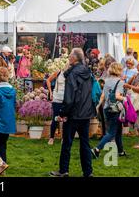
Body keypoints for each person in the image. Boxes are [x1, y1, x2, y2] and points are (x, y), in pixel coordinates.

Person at [50, 48, 96, 178]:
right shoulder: (87, 72)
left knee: (67, 143)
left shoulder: (73, 74)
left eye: (70, 55)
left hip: (74, 113)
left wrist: (63, 113)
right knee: (85, 143)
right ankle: (88, 172)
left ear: (75, 58)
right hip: (85, 113)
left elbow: (69, 98)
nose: (68, 58)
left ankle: (63, 170)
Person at [91, 63, 127, 159]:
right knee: (111, 132)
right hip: (116, 109)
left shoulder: (107, 81)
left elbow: (103, 95)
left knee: (118, 130)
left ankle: (121, 151)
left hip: (106, 108)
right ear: (118, 70)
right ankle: (97, 149)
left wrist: (98, 106)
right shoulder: (120, 82)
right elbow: (117, 96)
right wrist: (125, 99)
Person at [46, 63, 69, 145]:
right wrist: (50, 92)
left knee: (65, 119)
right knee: (55, 118)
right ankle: (51, 138)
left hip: (66, 100)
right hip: (56, 99)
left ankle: (63, 138)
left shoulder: (71, 75)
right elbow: (48, 80)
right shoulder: (59, 72)